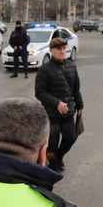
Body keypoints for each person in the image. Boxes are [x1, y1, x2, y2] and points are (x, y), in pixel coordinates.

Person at [34, 37, 81, 172]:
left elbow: (76, 89)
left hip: (68, 112)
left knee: (71, 138)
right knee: (52, 143)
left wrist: (80, 105)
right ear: (51, 51)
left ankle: (59, 157)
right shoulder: (44, 70)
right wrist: (56, 103)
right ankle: (53, 164)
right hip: (51, 114)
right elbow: (40, 92)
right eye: (58, 49)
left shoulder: (71, 66)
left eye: (64, 48)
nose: (62, 51)